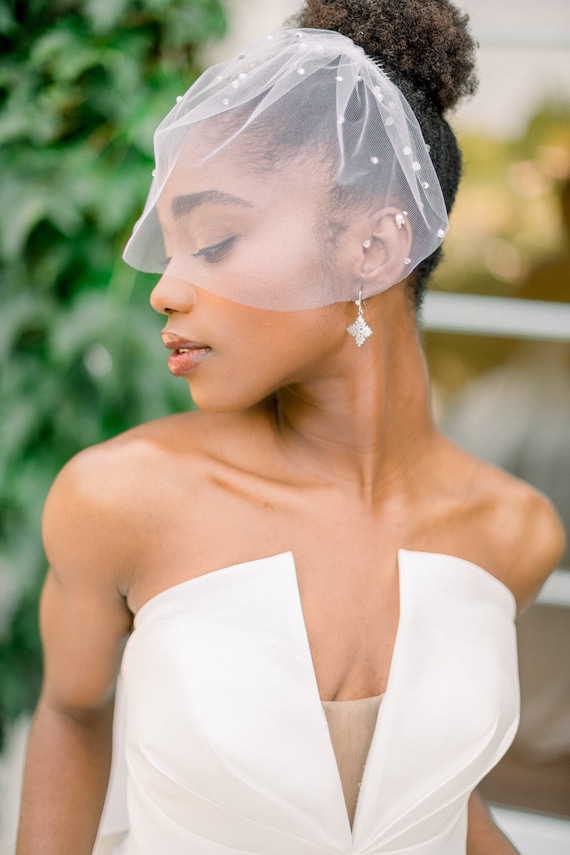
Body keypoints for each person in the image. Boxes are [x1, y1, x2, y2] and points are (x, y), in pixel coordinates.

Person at [16, 1, 565, 854]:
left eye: (217, 239)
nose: (164, 287)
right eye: (172, 245)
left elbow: (434, 806)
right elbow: (70, 712)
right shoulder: (120, 500)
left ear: (375, 251)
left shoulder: (514, 532)